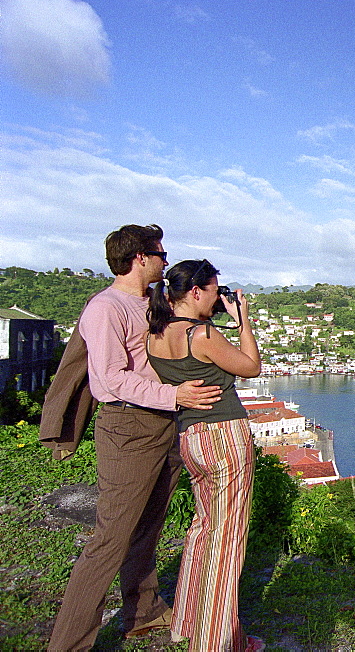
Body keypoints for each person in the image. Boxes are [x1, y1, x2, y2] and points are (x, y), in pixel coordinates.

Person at [48, 225, 222, 652]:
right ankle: (68, 644)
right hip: (128, 427)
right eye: (161, 254)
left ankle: (142, 612)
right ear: (140, 258)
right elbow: (108, 380)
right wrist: (173, 393)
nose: (166, 261)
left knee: (149, 526)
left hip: (166, 422)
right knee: (110, 538)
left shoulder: (153, 302)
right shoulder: (105, 308)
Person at [146, 259, 263, 652]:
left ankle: (187, 622)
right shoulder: (202, 334)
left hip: (190, 437)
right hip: (224, 435)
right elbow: (251, 367)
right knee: (227, 539)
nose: (217, 298)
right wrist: (243, 321)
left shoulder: (155, 334)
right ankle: (218, 640)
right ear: (195, 292)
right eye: (214, 291)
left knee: (202, 530)